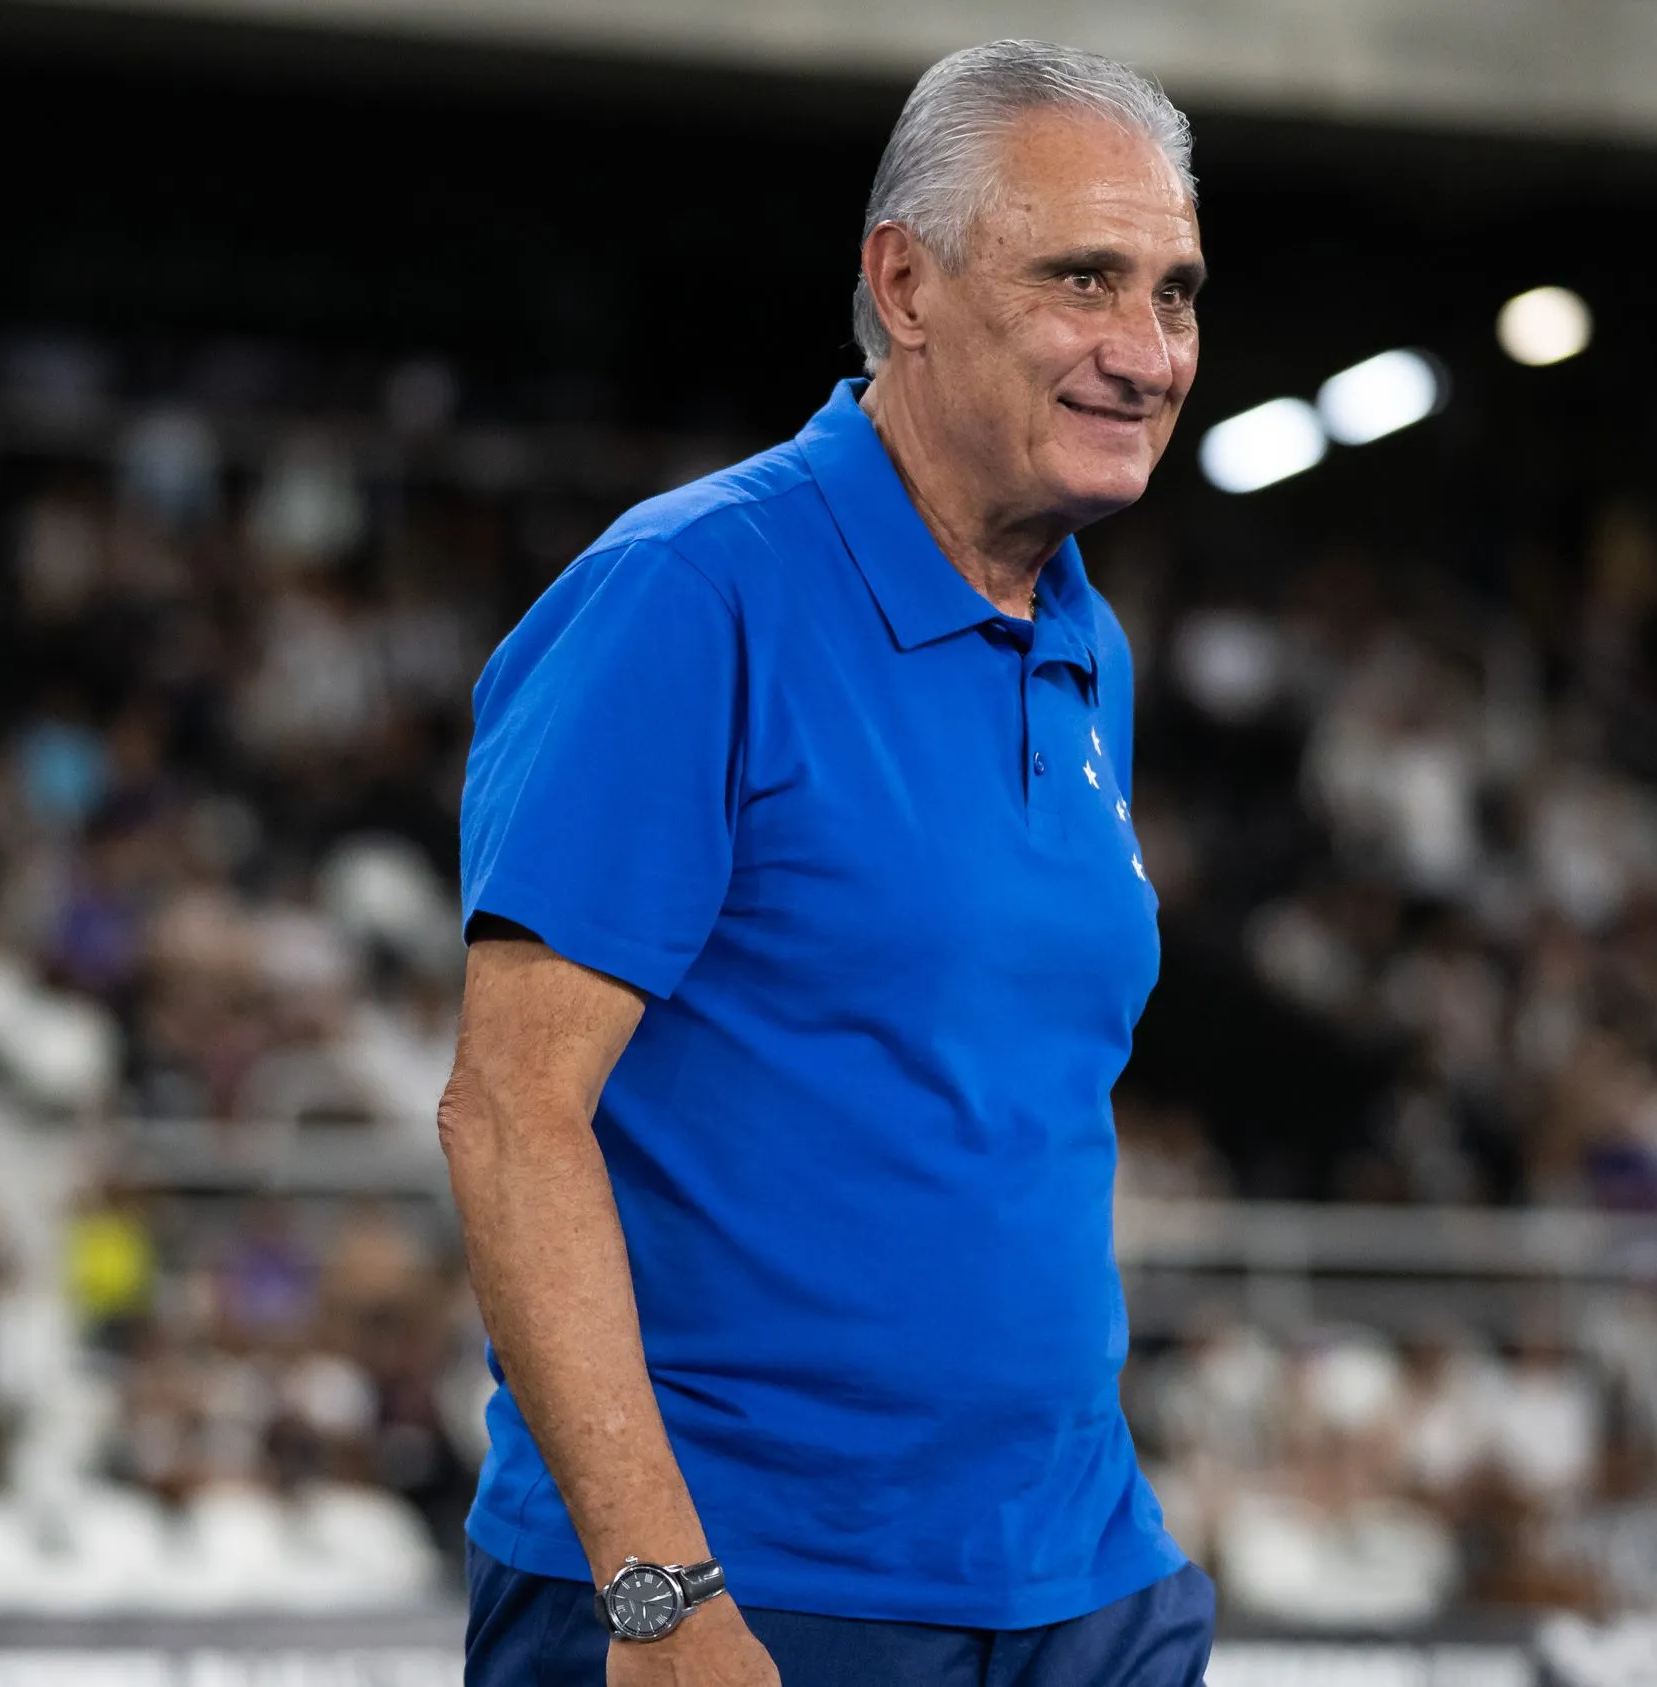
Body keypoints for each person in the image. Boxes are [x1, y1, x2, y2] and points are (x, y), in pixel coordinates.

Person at [437, 40, 1213, 1686]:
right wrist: (656, 1593)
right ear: (906, 284)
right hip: (743, 1596)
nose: (1144, 351)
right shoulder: (689, 595)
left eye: (1175, 293)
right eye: (1085, 279)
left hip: (1080, 1583)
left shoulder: (1090, 649)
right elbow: (512, 1112)